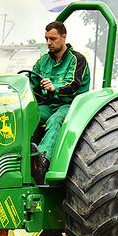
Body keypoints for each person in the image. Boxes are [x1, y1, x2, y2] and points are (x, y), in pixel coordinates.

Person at [30, 21, 90, 183]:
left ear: (63, 37)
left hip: (71, 107)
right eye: (46, 39)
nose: (49, 43)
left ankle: (40, 162)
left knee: (55, 120)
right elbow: (32, 82)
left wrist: (54, 87)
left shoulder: (77, 60)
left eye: (53, 38)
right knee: (26, 115)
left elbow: (74, 85)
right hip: (48, 106)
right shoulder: (43, 61)